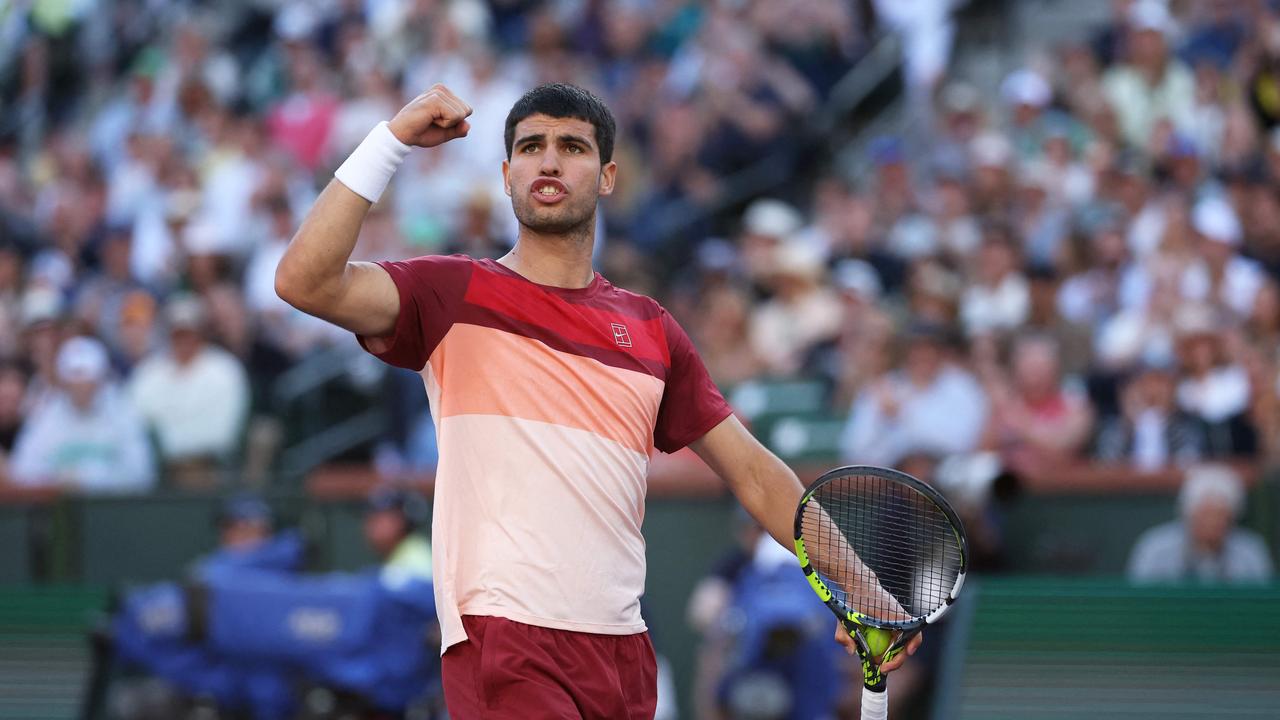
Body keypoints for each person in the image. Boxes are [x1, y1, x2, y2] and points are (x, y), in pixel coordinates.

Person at [274, 82, 918, 717]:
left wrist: (861, 588)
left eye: (572, 146)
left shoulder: (652, 328)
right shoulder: (449, 292)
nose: (549, 160)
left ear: (608, 176)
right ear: (505, 174)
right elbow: (304, 281)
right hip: (506, 636)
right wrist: (390, 140)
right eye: (530, 146)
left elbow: (753, 472)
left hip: (622, 652)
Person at [9, 336, 154, 493]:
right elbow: (23, 471)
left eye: (88, 377)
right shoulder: (44, 416)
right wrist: (60, 480)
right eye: (75, 376)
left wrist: (87, 479)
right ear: (64, 381)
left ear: (100, 379)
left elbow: (141, 472)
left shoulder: (123, 413)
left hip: (112, 510)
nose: (81, 385)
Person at [1127, 464, 1273, 583]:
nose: (1212, 523)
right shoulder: (1155, 548)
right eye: (1205, 515)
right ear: (1188, 515)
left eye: (1220, 516)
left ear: (1232, 519)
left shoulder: (1251, 552)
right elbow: (1137, 604)